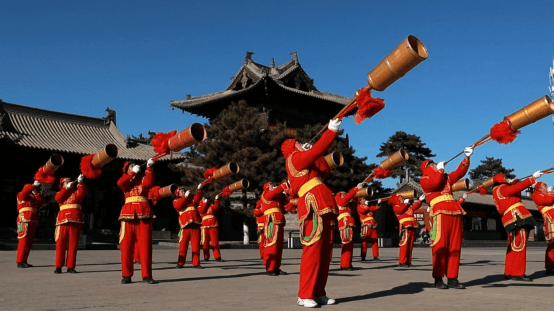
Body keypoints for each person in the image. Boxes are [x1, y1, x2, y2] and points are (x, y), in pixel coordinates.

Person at [281, 118, 341, 308]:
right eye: (297, 143)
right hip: (312, 205)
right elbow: (317, 151)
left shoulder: (306, 161)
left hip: (321, 203)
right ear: (291, 148)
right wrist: (330, 131)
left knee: (324, 253)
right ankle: (304, 294)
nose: (301, 143)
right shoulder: (294, 159)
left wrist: (312, 150)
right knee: (312, 251)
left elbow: (324, 170)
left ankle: (318, 292)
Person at [419, 146, 473, 289]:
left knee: (455, 246)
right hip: (440, 212)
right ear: (426, 167)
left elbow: (459, 172)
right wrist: (440, 170)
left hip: (454, 211)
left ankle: (453, 277)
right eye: (431, 164)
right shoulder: (424, 179)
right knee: (440, 245)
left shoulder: (445, 177)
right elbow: (435, 184)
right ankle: (438, 278)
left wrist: (466, 158)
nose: (434, 165)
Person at [492, 172, 542, 281]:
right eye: (505, 178)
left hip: (511, 218)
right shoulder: (502, 188)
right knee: (520, 245)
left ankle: (509, 271)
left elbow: (515, 190)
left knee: (513, 246)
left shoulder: (497, 191)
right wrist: (531, 179)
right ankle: (518, 272)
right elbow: (516, 189)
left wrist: (515, 183)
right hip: (517, 216)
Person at [116, 158, 157, 284]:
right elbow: (121, 183)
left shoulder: (143, 179)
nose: (134, 167)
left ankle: (147, 275)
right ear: (127, 169)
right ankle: (126, 275)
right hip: (128, 214)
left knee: (146, 246)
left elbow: (150, 183)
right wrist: (131, 173)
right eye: (131, 166)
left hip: (144, 214)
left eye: (135, 165)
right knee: (126, 246)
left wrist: (149, 168)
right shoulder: (126, 180)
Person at [54, 175, 87, 274]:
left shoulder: (77, 193)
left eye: (71, 181)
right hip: (62, 220)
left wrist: (80, 183)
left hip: (75, 220)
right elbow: (58, 198)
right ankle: (58, 266)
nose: (69, 182)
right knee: (60, 244)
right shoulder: (60, 192)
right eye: (66, 182)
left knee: (73, 245)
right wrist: (67, 188)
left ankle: (70, 266)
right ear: (62, 184)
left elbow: (82, 193)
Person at [259, 181, 289, 276]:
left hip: (279, 221)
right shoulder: (266, 194)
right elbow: (275, 191)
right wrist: (285, 185)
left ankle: (276, 267)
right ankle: (270, 268)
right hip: (271, 221)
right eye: (271, 185)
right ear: (267, 187)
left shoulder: (276, 198)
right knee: (271, 244)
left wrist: (286, 196)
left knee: (279, 246)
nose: (273, 187)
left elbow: (286, 206)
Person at [16, 181, 46, 268]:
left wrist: (36, 193)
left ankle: (24, 260)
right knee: (23, 240)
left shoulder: (34, 197)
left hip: (33, 219)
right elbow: (25, 192)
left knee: (29, 241)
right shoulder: (21, 195)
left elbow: (42, 201)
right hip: (24, 219)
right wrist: (33, 186)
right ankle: (20, 261)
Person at [389, 193, 424, 267]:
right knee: (404, 245)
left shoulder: (407, 206)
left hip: (411, 226)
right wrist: (405, 204)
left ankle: (408, 261)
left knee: (410, 245)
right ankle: (402, 262)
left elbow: (415, 207)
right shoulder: (396, 207)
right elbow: (400, 210)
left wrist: (420, 201)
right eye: (400, 198)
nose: (402, 199)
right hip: (405, 227)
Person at [173, 185, 204, 269]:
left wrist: (199, 189)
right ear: (177, 193)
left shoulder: (191, 199)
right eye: (181, 191)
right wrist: (186, 196)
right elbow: (179, 206)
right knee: (183, 246)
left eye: (184, 191)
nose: (183, 192)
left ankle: (196, 263)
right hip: (185, 226)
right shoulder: (176, 200)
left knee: (196, 246)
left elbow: (198, 197)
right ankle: (180, 263)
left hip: (195, 225)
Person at [335, 184, 363, 270]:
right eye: (342, 194)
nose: (344, 195)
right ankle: (345, 264)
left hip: (349, 222)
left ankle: (347, 263)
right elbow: (345, 200)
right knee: (347, 243)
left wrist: (354, 200)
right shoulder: (339, 201)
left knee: (350, 245)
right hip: (345, 222)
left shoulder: (347, 205)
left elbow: (354, 210)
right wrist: (355, 189)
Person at [530, 182, 554, 276]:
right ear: (538, 189)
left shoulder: (549, 195)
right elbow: (548, 201)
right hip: (550, 223)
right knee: (552, 247)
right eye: (543, 187)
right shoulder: (536, 196)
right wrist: (551, 192)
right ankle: (549, 268)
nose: (545, 188)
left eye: (545, 186)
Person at [198, 195, 225, 262]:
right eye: (203, 198)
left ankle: (217, 256)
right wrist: (204, 203)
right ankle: (206, 257)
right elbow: (202, 210)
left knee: (215, 242)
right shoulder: (200, 207)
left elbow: (216, 207)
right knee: (205, 242)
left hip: (213, 224)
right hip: (204, 226)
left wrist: (216, 200)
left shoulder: (210, 205)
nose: (204, 198)